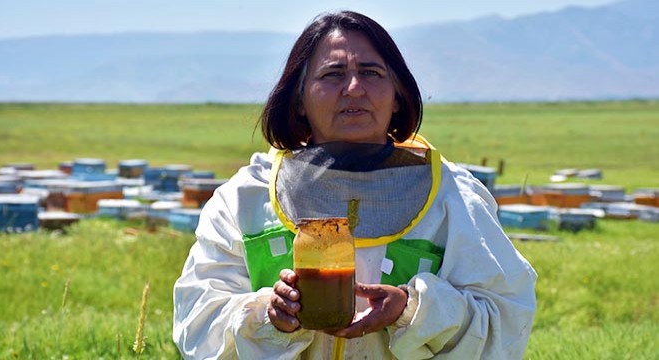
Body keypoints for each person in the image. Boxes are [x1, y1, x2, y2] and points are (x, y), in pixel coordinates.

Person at [173, 10, 537, 359]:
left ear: (397, 96)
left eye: (371, 72)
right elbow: (197, 323)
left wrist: (412, 311)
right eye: (332, 74)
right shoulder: (244, 200)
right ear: (299, 99)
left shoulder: (454, 198)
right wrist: (268, 316)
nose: (353, 88)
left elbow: (504, 322)